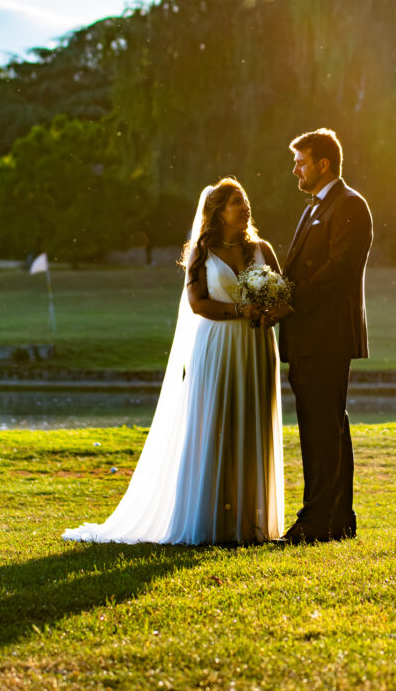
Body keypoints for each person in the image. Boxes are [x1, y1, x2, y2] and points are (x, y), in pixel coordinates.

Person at [62, 178, 284, 545]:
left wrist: (273, 310)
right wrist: (240, 310)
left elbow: (282, 289)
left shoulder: (262, 249)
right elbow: (198, 304)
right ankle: (210, 519)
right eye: (235, 203)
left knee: (252, 421)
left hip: (258, 346)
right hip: (218, 345)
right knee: (215, 425)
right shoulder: (201, 252)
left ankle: (251, 523)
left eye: (245, 201)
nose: (244, 208)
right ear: (218, 211)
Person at [266, 128, 372, 544]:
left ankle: (315, 523)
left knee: (322, 429)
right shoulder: (315, 208)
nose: (295, 169)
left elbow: (340, 269)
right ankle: (338, 519)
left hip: (326, 335)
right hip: (309, 335)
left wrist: (290, 303)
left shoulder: (349, 205)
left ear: (323, 164)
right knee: (324, 426)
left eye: (301, 161)